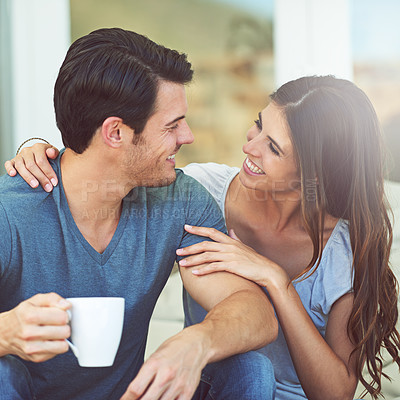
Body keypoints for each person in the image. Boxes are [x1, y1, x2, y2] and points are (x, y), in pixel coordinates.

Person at [11, 75, 400, 400]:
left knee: (255, 369)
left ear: (312, 175)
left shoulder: (343, 249)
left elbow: (334, 393)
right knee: (248, 367)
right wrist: (39, 152)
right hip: (211, 382)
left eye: (274, 148)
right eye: (260, 124)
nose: (249, 146)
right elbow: (111, 167)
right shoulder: (205, 191)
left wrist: (276, 281)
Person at [0, 27, 279, 400]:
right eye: (172, 125)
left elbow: (255, 313)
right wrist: (6, 332)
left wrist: (197, 341)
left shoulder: (180, 201)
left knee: (250, 368)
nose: (188, 136)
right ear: (115, 132)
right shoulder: (10, 211)